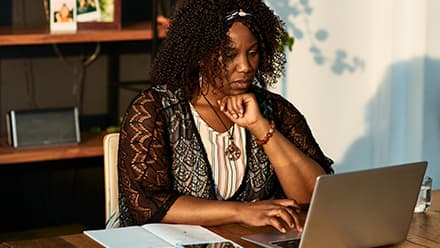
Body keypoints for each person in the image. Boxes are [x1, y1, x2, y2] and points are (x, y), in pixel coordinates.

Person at [117, 0, 333, 233]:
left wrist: (261, 128)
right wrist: (240, 212)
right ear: (199, 56)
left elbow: (314, 197)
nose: (245, 66)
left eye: (253, 53)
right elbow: (148, 205)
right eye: (230, 55)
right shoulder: (156, 111)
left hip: (247, 241)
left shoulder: (275, 110)